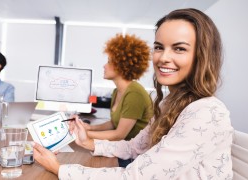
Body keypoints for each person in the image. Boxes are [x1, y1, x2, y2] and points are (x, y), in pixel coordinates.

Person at [32, 8, 234, 179]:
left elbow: (137, 177)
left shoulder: (207, 112)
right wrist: (88, 142)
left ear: (202, 55)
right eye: (158, 47)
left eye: (179, 49)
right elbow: (134, 147)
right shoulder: (169, 103)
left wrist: (60, 169)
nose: (163, 57)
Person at [84, 34, 153, 142]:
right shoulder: (117, 91)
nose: (104, 66)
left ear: (122, 65)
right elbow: (114, 123)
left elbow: (119, 135)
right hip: (122, 147)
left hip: (134, 154)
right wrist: (90, 128)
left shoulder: (134, 94)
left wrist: (85, 134)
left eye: (109, 61)